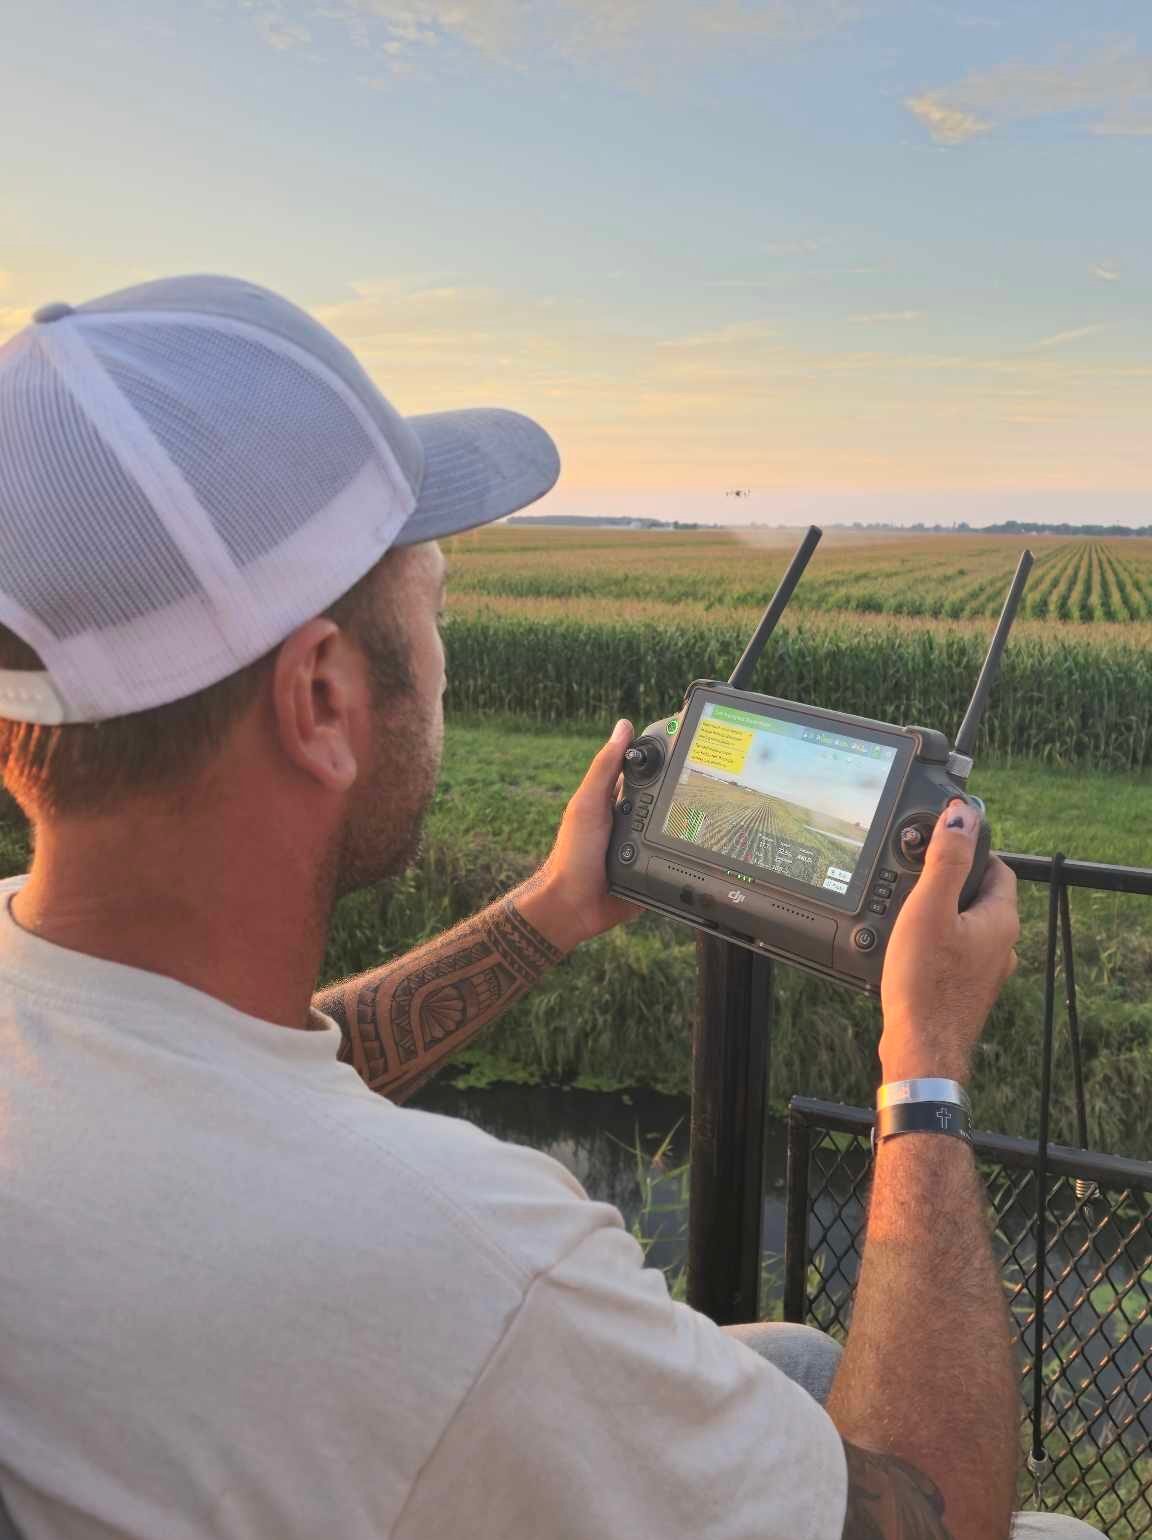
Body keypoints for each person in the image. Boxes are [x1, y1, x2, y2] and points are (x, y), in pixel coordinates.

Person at [0, 275, 1103, 1540]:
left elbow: (241, 1083)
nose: (448, 637)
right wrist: (926, 1064)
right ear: (321, 699)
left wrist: (547, 913)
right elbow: (938, 1514)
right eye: (437, 599)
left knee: (793, 1356)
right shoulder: (472, 1273)